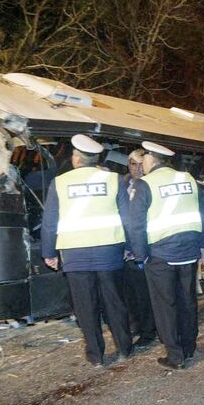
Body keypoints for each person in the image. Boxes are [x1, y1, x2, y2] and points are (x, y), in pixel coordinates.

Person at [41, 134, 133, 367]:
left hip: (74, 254)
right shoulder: (114, 180)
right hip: (109, 252)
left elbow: (50, 222)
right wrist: (130, 247)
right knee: (114, 301)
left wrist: (49, 252)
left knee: (85, 306)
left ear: (76, 158)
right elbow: (128, 219)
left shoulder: (59, 183)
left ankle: (96, 356)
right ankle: (124, 348)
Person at [127, 142, 204, 370]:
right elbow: (203, 215)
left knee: (165, 305)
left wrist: (141, 256)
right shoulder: (188, 179)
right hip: (188, 253)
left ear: (152, 160)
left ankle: (175, 356)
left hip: (161, 254)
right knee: (187, 301)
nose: (142, 163)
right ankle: (189, 347)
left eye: (144, 158)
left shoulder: (144, 184)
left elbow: (136, 225)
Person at [121, 149, 157, 346]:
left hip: (145, 248)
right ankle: (136, 326)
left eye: (140, 164)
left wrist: (139, 249)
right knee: (131, 294)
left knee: (146, 295)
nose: (136, 169)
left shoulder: (150, 185)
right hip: (125, 249)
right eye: (132, 164)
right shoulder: (121, 183)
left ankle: (148, 331)